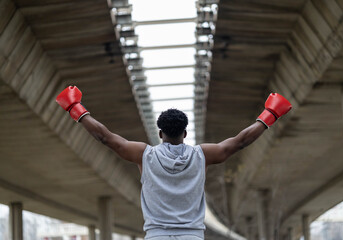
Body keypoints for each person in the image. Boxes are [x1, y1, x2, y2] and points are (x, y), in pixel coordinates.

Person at [56, 86, 292, 240]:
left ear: (160, 134)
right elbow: (239, 142)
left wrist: (76, 108)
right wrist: (270, 114)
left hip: (157, 236)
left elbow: (106, 138)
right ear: (185, 133)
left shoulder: (145, 155)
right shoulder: (202, 155)